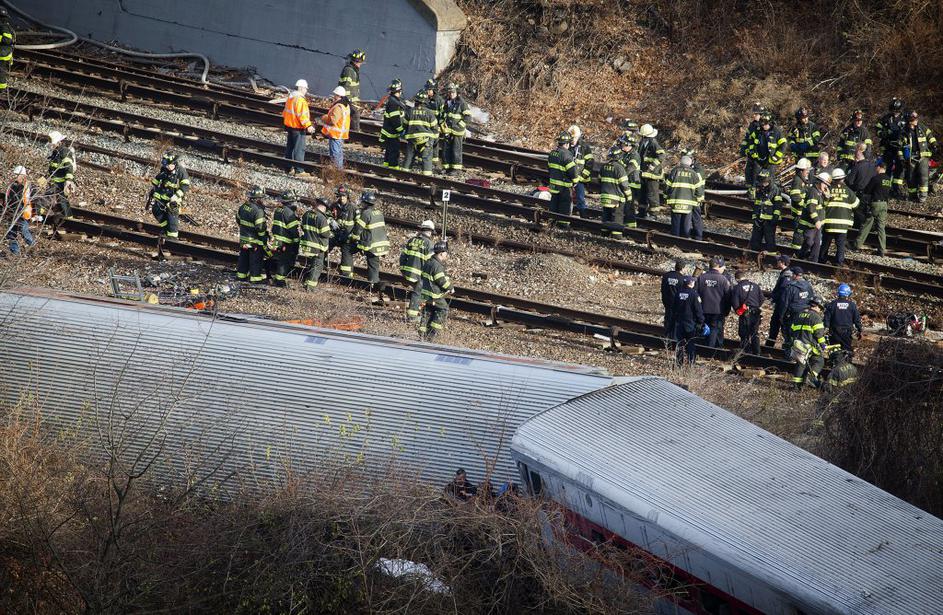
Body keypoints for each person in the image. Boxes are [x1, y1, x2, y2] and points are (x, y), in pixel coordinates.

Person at [819, 167, 859, 265]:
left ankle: (821, 260)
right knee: (840, 246)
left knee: (825, 243)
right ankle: (839, 263)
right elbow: (856, 204)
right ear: (843, 178)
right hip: (842, 224)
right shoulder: (848, 191)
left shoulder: (828, 189)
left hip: (829, 223)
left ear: (833, 179)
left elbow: (822, 203)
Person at [147, 150, 190, 240]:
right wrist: (154, 190)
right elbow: (157, 180)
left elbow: (185, 186)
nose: (167, 167)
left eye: (168, 165)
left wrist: (176, 196)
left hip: (175, 198)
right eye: (165, 165)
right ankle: (166, 229)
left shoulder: (181, 171)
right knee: (156, 210)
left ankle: (172, 237)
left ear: (174, 163)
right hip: (163, 195)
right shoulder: (165, 169)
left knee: (172, 215)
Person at [352, 191, 389, 292]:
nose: (361, 204)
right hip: (381, 243)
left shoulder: (366, 213)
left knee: (372, 265)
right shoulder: (379, 213)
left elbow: (358, 229)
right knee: (374, 264)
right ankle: (374, 283)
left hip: (371, 245)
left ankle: (373, 286)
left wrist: (353, 237)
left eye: (362, 202)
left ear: (366, 203)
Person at [399, 220, 435, 321]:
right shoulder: (429, 244)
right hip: (420, 274)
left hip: (408, 272)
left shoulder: (411, 240)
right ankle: (412, 317)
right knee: (417, 293)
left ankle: (418, 311)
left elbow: (403, 256)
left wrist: (403, 270)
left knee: (418, 292)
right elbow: (431, 262)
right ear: (430, 231)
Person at [899, 110, 938, 203]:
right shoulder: (904, 131)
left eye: (916, 119)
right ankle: (912, 196)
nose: (916, 120)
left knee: (923, 176)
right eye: (914, 119)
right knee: (911, 178)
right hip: (910, 158)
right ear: (909, 120)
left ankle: (923, 196)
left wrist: (934, 144)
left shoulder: (921, 127)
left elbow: (929, 135)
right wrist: (901, 157)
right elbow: (899, 147)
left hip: (923, 156)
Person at [853, 159, 890, 255]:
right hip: (884, 204)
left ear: (879, 167)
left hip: (875, 204)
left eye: (876, 167)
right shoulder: (888, 179)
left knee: (866, 224)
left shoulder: (876, 178)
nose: (875, 169)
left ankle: (856, 245)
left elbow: (867, 190)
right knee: (881, 228)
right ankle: (882, 250)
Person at [790, 295, 827, 389]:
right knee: (819, 360)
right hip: (809, 345)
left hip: (797, 344)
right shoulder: (816, 317)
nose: (820, 311)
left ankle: (796, 385)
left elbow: (792, 329)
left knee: (800, 363)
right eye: (820, 308)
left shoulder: (799, 314)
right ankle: (810, 377)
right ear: (817, 306)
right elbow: (819, 334)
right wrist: (823, 345)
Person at [419, 241, 453, 341]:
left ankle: (422, 333)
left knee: (428, 310)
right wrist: (450, 287)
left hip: (425, 293)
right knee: (443, 308)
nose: (447, 255)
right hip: (434, 294)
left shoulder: (428, 262)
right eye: (446, 253)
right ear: (441, 253)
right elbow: (441, 280)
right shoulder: (437, 265)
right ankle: (432, 334)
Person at [748, 168, 787, 252]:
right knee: (755, 239)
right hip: (758, 218)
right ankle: (754, 254)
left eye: (764, 182)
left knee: (769, 240)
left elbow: (778, 205)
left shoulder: (775, 189)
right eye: (761, 181)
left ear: (769, 180)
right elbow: (754, 201)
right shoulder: (758, 187)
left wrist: (775, 217)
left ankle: (771, 255)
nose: (762, 184)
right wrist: (752, 191)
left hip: (769, 220)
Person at [696, 256, 731, 348]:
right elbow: (728, 297)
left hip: (703, 309)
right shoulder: (723, 280)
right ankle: (713, 349)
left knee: (704, 329)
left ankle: (702, 348)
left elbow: (696, 294)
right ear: (718, 266)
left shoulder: (701, 278)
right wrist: (727, 311)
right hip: (718, 311)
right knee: (716, 330)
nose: (723, 268)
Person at [792, 172, 828, 262]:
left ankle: (813, 263)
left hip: (817, 224)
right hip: (810, 223)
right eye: (825, 184)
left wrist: (827, 197)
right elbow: (811, 208)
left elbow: (824, 206)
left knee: (816, 245)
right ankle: (800, 256)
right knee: (809, 242)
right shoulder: (813, 192)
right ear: (819, 182)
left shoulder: (820, 192)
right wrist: (816, 220)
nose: (826, 186)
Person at [236, 185, 269, 284]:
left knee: (243, 259)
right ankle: (255, 279)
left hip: (243, 239)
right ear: (258, 199)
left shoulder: (243, 206)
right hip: (255, 241)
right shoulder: (258, 211)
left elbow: (238, 219)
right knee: (256, 260)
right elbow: (260, 228)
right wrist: (263, 237)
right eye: (262, 198)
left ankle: (241, 276)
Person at [42, 131, 76, 225]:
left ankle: (69, 222)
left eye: (52, 143)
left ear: (58, 142)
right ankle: (66, 219)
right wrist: (45, 178)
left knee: (60, 200)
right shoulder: (56, 152)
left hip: (61, 183)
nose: (51, 145)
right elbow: (53, 168)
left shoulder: (64, 151)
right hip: (54, 182)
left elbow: (69, 167)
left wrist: (68, 181)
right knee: (57, 200)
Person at [665, 155, 704, 238]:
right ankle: (684, 240)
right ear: (690, 163)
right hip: (688, 204)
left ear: (681, 162)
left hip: (676, 202)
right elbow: (699, 190)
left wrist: (666, 197)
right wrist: (698, 199)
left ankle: (674, 240)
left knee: (675, 223)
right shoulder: (693, 174)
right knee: (686, 225)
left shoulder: (674, 171)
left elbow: (667, 187)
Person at [298, 196, 332, 290]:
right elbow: (325, 233)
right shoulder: (322, 218)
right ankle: (310, 287)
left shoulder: (307, 214)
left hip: (307, 244)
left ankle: (306, 281)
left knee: (311, 264)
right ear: (324, 206)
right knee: (317, 266)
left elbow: (303, 227)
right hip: (318, 246)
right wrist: (331, 232)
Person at [282, 78, 314, 175]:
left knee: (290, 148)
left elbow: (285, 113)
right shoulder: (300, 100)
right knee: (299, 149)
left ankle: (288, 168)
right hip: (298, 128)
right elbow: (302, 116)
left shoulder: (291, 98)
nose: (306, 90)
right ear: (301, 88)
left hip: (290, 126)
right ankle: (299, 170)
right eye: (305, 88)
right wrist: (308, 126)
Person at [673, 276, 707, 366]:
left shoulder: (678, 293)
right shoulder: (694, 294)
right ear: (691, 283)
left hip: (680, 322)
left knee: (680, 343)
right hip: (690, 322)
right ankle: (691, 362)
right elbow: (698, 310)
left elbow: (674, 307)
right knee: (691, 343)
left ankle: (679, 363)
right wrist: (701, 321)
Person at [402, 91, 437, 176]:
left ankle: (404, 174)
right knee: (426, 158)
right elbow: (435, 129)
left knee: (409, 156)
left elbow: (404, 125)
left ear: (416, 101)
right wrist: (434, 141)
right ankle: (426, 177)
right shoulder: (430, 113)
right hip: (426, 139)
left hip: (412, 139)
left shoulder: (409, 112)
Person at [270, 189, 301, 287]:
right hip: (286, 241)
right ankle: (279, 281)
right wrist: (296, 241)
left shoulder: (278, 210)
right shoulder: (289, 213)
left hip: (277, 239)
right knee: (284, 261)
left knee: (277, 258)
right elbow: (293, 230)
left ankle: (271, 275)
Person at [547, 131, 578, 227]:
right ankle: (563, 225)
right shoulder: (567, 155)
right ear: (567, 144)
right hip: (565, 187)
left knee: (554, 203)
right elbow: (572, 171)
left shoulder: (552, 153)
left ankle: (552, 222)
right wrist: (575, 181)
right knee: (565, 206)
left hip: (554, 185)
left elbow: (549, 168)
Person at [598, 147, 631, 238]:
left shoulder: (604, 167)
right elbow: (624, 185)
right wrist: (629, 196)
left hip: (605, 197)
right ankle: (617, 235)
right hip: (617, 199)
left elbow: (599, 180)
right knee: (617, 216)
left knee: (606, 215)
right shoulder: (619, 168)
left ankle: (604, 233)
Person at [876, 98, 906, 197]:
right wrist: (884, 133)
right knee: (887, 167)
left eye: (897, 110)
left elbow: (909, 131)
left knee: (899, 167)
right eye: (893, 110)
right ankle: (886, 188)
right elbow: (877, 129)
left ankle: (896, 189)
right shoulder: (886, 118)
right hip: (888, 147)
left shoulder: (904, 119)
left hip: (900, 148)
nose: (895, 112)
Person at [746, 112, 787, 185]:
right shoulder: (758, 130)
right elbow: (751, 140)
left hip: (771, 161)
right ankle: (754, 190)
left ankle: (770, 191)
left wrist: (776, 156)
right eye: (762, 124)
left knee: (769, 180)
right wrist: (752, 151)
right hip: (759, 159)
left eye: (765, 124)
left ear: (770, 122)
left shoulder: (776, 131)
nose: (763, 126)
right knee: (755, 179)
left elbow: (783, 145)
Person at [730, 270, 764, 355]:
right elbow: (762, 299)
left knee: (744, 333)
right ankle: (757, 352)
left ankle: (746, 351)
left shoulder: (737, 288)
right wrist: (756, 306)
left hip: (745, 313)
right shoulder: (755, 285)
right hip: (756, 312)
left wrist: (739, 310)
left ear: (737, 279)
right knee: (754, 332)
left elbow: (735, 302)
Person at [329, 185, 358, 279]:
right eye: (340, 196)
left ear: (347, 196)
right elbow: (326, 216)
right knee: (325, 246)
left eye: (344, 196)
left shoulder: (353, 208)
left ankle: (346, 275)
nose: (342, 198)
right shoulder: (334, 206)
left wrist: (353, 235)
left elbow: (359, 224)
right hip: (335, 234)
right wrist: (331, 221)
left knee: (346, 253)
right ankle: (317, 265)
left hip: (347, 236)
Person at [823, 283, 862, 355]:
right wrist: (860, 330)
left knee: (834, 352)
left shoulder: (832, 304)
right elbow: (857, 319)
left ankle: (834, 361)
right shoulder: (852, 305)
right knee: (847, 353)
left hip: (834, 333)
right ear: (848, 294)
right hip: (846, 333)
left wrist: (826, 328)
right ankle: (846, 361)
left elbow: (826, 318)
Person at [636, 124, 665, 217]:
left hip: (653, 175)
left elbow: (661, 155)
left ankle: (654, 214)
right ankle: (641, 212)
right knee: (642, 194)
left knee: (652, 195)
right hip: (643, 173)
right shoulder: (642, 143)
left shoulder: (653, 143)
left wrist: (653, 165)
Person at [781, 265, 813, 349]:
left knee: (790, 334)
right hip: (806, 314)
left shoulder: (791, 287)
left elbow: (785, 303)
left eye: (792, 274)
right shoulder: (808, 285)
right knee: (802, 335)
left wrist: (781, 316)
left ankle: (789, 351)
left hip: (793, 315)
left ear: (795, 275)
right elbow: (812, 300)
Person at [441, 83, 471, 174]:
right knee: (446, 150)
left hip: (457, 131)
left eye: (453, 92)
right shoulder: (447, 102)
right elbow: (444, 114)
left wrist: (459, 126)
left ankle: (456, 169)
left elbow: (468, 117)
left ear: (456, 92)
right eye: (449, 92)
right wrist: (443, 125)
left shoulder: (461, 103)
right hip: (448, 131)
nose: (451, 94)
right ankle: (447, 167)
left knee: (456, 150)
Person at [5, 166, 34, 255]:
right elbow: (9, 199)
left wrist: (36, 213)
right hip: (12, 213)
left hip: (22, 213)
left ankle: (33, 247)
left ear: (23, 175)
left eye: (17, 175)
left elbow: (35, 200)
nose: (16, 176)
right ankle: (15, 252)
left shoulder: (29, 186)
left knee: (24, 231)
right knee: (11, 233)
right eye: (15, 174)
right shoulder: (12, 185)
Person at [319, 86, 350, 169]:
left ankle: (336, 170)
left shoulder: (338, 107)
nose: (334, 96)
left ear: (338, 95)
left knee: (335, 152)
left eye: (335, 95)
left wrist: (324, 118)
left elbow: (333, 121)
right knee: (339, 152)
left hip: (335, 134)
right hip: (340, 133)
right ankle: (339, 169)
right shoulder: (346, 105)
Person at [846, 143, 875, 231]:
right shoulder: (872, 166)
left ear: (859, 152)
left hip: (859, 194)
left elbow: (849, 181)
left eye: (856, 151)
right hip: (870, 194)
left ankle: (858, 233)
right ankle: (869, 229)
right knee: (867, 214)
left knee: (858, 215)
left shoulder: (857, 166)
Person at [379, 79, 407, 169]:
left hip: (388, 131)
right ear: (399, 91)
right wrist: (401, 130)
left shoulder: (392, 100)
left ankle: (386, 166)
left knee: (389, 150)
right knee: (394, 151)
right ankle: (393, 168)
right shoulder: (394, 103)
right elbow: (395, 120)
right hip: (392, 132)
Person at [765, 254, 792, 347]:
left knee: (779, 326)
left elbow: (782, 292)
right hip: (781, 305)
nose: (777, 262)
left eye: (778, 261)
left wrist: (772, 297)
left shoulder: (786, 276)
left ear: (783, 263)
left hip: (782, 307)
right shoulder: (784, 273)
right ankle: (770, 346)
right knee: (775, 326)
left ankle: (783, 348)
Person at [568, 125, 594, 218]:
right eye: (571, 138)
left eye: (574, 138)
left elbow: (590, 163)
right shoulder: (567, 145)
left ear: (578, 136)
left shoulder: (584, 147)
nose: (572, 140)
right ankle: (567, 215)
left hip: (580, 178)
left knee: (580, 198)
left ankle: (583, 217)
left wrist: (582, 177)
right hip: (569, 177)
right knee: (567, 197)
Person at [616, 135, 642, 230]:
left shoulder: (635, 156)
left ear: (629, 145)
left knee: (629, 205)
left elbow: (629, 169)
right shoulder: (625, 154)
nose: (621, 145)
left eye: (623, 144)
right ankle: (627, 222)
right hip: (626, 182)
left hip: (632, 184)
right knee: (625, 204)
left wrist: (620, 176)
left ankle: (631, 225)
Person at [338, 49, 365, 131]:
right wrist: (348, 101)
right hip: (348, 100)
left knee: (351, 117)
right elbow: (345, 86)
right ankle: (355, 134)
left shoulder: (353, 70)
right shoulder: (349, 70)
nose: (361, 64)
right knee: (355, 116)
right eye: (360, 62)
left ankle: (351, 133)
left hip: (351, 100)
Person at [684, 148, 706, 240]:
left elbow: (697, 184)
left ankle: (698, 236)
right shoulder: (692, 168)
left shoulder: (698, 169)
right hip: (690, 196)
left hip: (695, 197)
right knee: (688, 218)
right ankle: (688, 235)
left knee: (696, 217)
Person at [740, 102, 764, 186]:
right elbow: (747, 138)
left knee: (756, 175)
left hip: (759, 157)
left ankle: (755, 190)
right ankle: (748, 190)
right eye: (753, 113)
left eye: (756, 114)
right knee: (748, 173)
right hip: (751, 155)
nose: (753, 115)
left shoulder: (764, 126)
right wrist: (743, 149)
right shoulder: (752, 125)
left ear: (761, 115)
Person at [660, 261, 685, 337]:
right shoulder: (682, 278)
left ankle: (666, 335)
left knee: (668, 318)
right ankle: (673, 337)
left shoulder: (666, 275)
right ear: (683, 268)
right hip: (676, 303)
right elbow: (682, 293)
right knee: (676, 321)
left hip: (667, 301)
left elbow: (662, 289)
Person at [787, 157, 812, 226]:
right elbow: (795, 197)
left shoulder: (803, 180)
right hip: (798, 215)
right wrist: (805, 205)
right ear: (801, 171)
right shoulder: (797, 180)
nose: (808, 172)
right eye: (806, 170)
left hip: (802, 214)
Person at [0, 7, 13, 94]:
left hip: (3, 53)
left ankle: (1, 89)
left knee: (1, 71)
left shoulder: (3, 26)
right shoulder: (5, 25)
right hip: (4, 52)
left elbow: (7, 39)